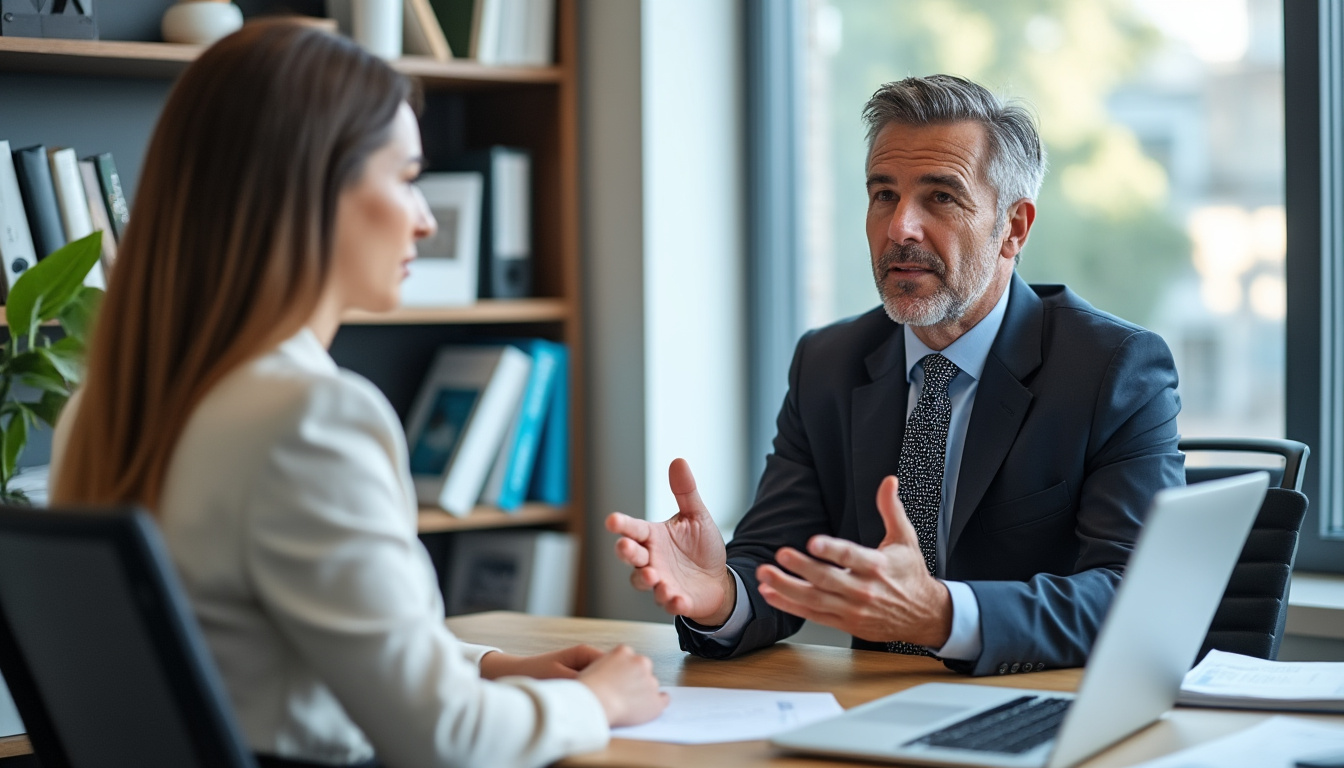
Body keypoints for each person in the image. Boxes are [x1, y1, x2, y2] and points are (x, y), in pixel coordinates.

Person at [50, 20, 664, 768]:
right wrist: (597, 701)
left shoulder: (100, 414)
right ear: (310, 188)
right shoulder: (311, 419)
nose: (427, 219)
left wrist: (491, 667)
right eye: (405, 178)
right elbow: (447, 740)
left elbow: (272, 651)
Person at [607, 74, 1184, 677]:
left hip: (1037, 707)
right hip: (874, 703)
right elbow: (777, 563)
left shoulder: (1112, 370)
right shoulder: (827, 364)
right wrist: (720, 595)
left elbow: (1135, 596)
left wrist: (942, 615)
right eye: (884, 194)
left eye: (941, 197)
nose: (899, 227)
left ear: (1013, 227)